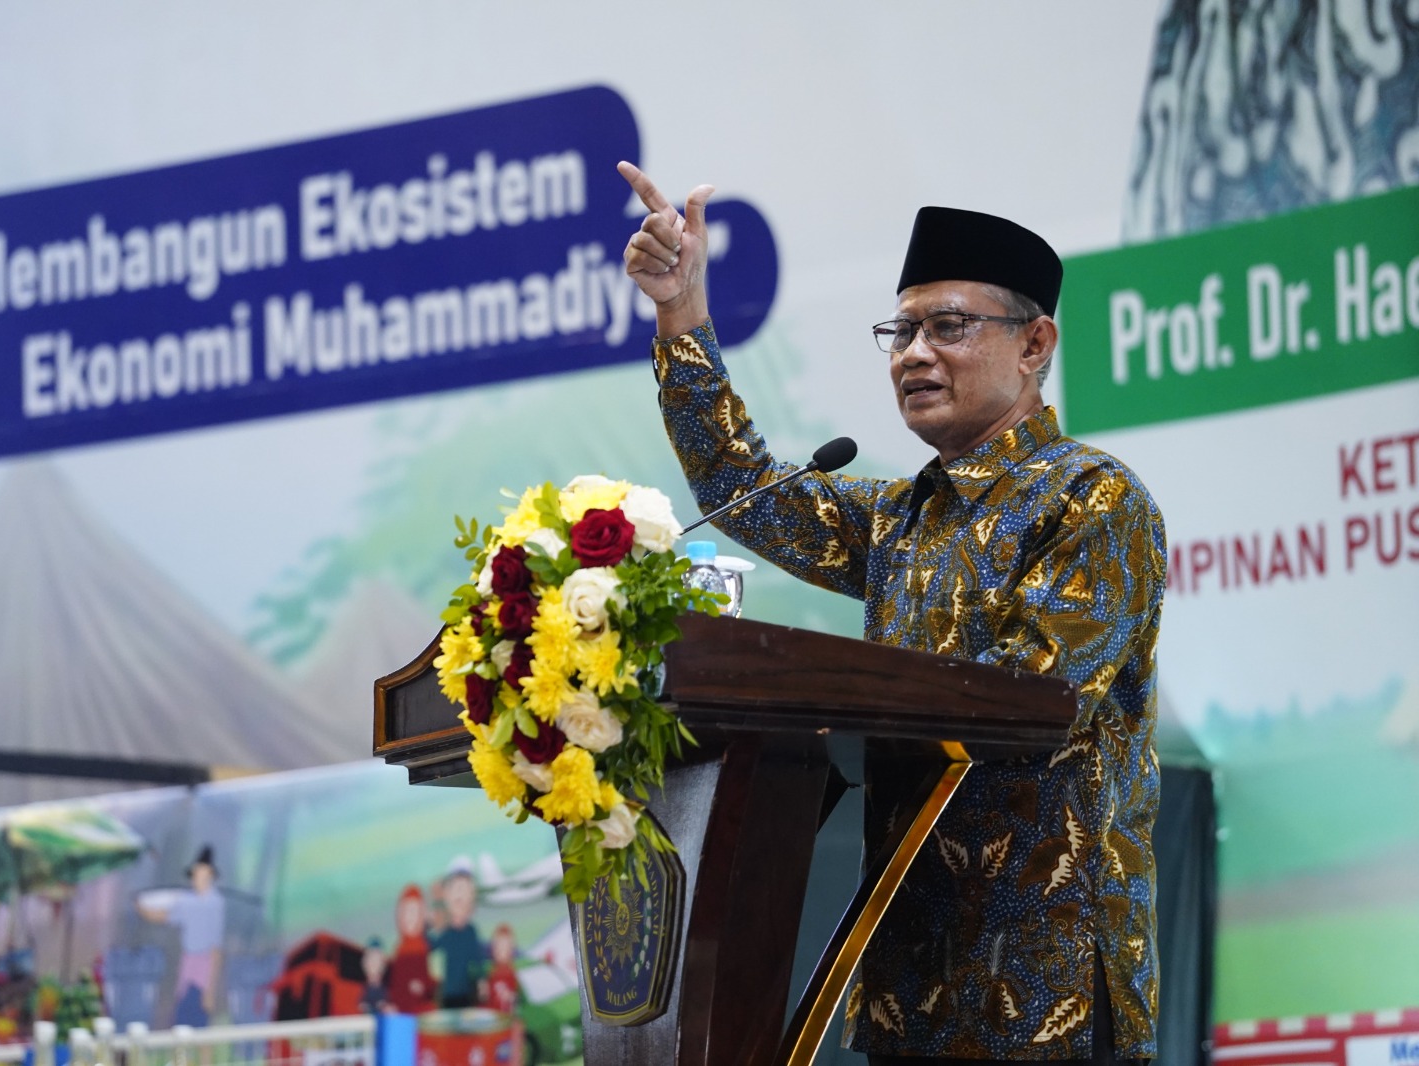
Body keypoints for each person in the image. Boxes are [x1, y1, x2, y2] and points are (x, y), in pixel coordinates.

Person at [617, 162, 1165, 1065]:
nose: (913, 354)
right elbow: (741, 487)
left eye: (948, 327)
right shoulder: (898, 520)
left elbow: (1030, 704)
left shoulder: (1093, 502)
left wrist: (821, 715)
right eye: (901, 330)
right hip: (911, 981)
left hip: (1046, 983)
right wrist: (682, 313)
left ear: (1034, 345)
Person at [138, 845, 225, 1027]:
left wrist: (210, 991)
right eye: (195, 874)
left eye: (201, 873)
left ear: (209, 874)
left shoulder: (215, 904)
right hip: (188, 968)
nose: (197, 878)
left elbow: (215, 950)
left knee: (202, 1027)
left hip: (204, 969)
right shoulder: (186, 902)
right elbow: (162, 915)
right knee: (181, 1022)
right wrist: (142, 908)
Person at [427, 863, 487, 1009]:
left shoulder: (471, 932)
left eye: (466, 890)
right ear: (446, 896)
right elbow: (431, 946)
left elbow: (476, 958)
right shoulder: (445, 932)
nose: (460, 895)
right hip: (448, 994)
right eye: (456, 890)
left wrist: (481, 982)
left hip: (468, 994)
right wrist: (426, 925)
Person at [386, 883, 439, 1013]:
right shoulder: (398, 948)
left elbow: (433, 980)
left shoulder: (425, 947)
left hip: (420, 1010)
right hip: (401, 1010)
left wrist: (423, 985)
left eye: (414, 912)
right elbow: (396, 983)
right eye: (406, 912)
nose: (410, 917)